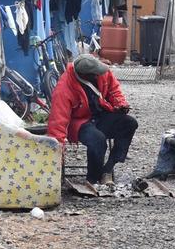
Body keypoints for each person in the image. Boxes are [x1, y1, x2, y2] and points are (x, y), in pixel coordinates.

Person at [47, 54, 138, 185]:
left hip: (100, 114)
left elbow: (114, 90)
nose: (99, 75)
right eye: (96, 74)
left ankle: (108, 169)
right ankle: (93, 179)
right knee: (98, 140)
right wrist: (56, 158)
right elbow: (57, 123)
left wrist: (121, 104)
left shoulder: (99, 70)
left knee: (130, 123)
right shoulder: (63, 89)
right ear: (86, 76)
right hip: (79, 122)